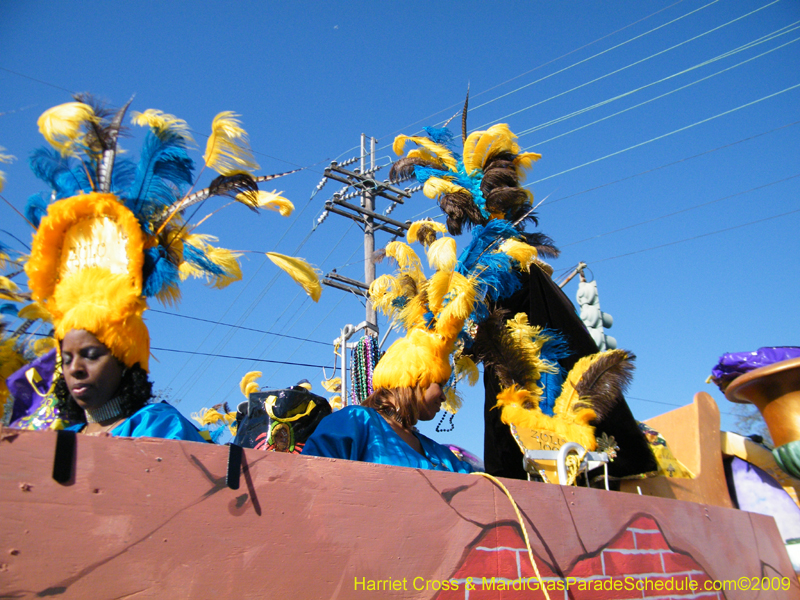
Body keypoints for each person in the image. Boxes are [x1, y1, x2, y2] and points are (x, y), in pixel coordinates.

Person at [55, 329, 204, 441]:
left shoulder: (157, 423)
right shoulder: (62, 439)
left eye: (92, 356)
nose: (74, 368)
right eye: (66, 360)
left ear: (125, 362)